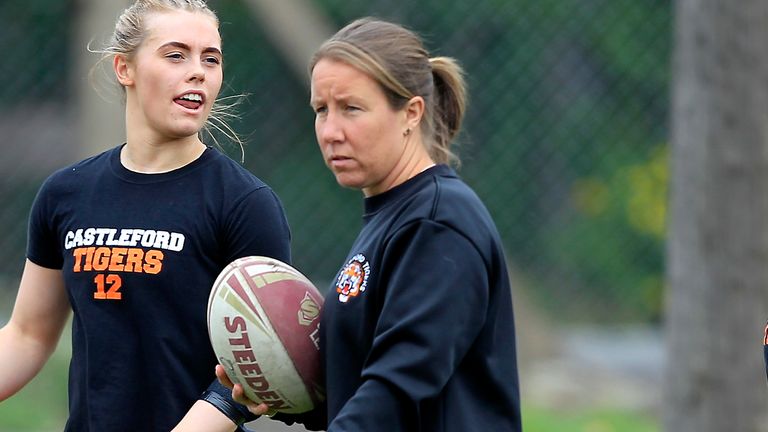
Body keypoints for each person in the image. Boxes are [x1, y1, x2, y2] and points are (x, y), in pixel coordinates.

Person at [219, 16, 522, 431]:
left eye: (351, 109)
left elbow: (397, 393)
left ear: (411, 113)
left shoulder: (438, 223)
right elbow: (361, 389)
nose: (330, 131)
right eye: (321, 110)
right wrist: (288, 394)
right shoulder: (391, 215)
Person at [0, 1, 290, 431]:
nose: (198, 71)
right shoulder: (66, 193)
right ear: (125, 69)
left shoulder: (244, 203)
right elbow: (27, 335)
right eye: (176, 55)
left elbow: (259, 369)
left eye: (210, 58)